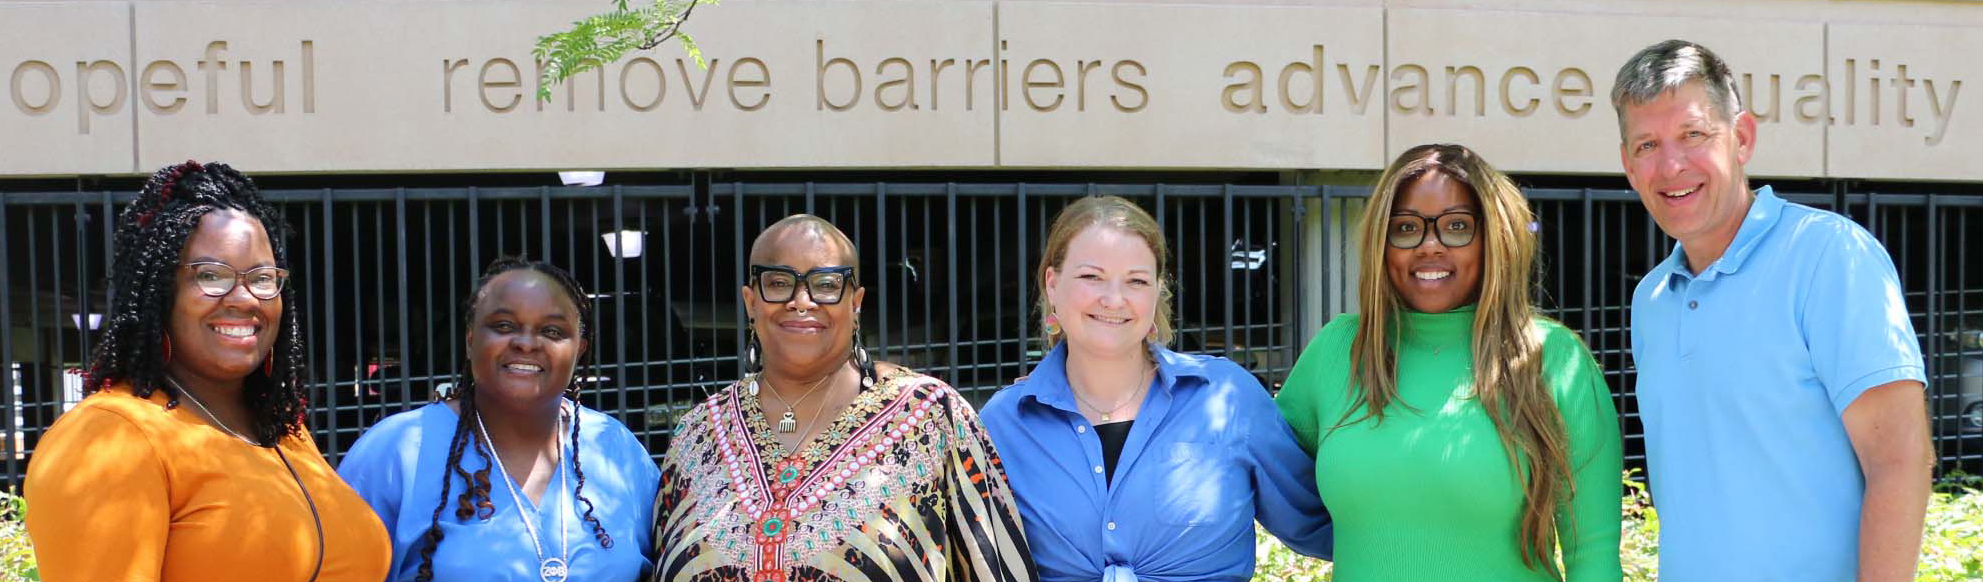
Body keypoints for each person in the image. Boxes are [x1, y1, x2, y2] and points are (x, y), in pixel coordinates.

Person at [1610, 39, 1933, 582]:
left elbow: (1900, 462)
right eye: (1647, 145)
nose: (1671, 165)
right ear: (1627, 165)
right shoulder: (1651, 301)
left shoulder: (1830, 257)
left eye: (1693, 135)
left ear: (1741, 138)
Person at [25, 160, 390, 581]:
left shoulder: (283, 432)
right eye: (211, 276)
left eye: (263, 277)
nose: (244, 298)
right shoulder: (112, 435)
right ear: (161, 291)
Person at [1274, 144, 1622, 582]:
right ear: (1383, 245)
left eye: (1457, 226)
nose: (1430, 246)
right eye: (1406, 228)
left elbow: (1593, 555)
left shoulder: (1551, 358)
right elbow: (1251, 464)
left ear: (1492, 237)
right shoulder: (1339, 350)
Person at [651, 214, 1033, 582]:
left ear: (856, 302)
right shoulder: (696, 435)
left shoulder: (931, 417)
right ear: (751, 302)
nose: (802, 301)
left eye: (826, 284)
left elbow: (997, 565)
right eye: (780, 283)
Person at [980, 196, 1332, 581]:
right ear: (1052, 284)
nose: (1114, 299)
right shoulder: (1001, 425)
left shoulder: (1228, 398)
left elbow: (1329, 525)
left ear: (1156, 292)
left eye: (1136, 281)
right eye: (1091, 277)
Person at [338, 257, 661, 582]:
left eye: (552, 331)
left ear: (579, 350)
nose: (526, 342)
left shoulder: (616, 448)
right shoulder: (394, 453)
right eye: (504, 326)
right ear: (470, 340)